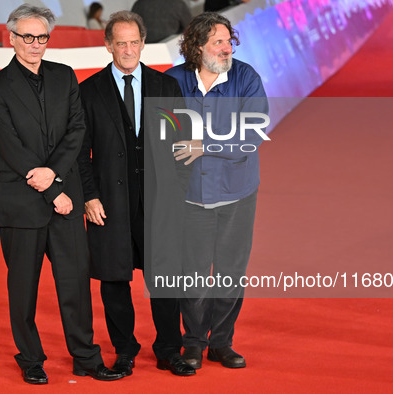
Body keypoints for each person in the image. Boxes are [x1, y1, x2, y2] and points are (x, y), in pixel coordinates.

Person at [0, 4, 123, 385]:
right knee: (22, 289)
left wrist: (56, 180)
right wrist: (52, 190)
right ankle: (30, 358)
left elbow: (76, 131)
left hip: (65, 200)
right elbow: (10, 148)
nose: (35, 44)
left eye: (41, 37)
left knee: (75, 285)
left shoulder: (64, 76)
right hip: (22, 204)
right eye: (27, 36)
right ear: (11, 38)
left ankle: (86, 358)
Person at [76, 10, 196, 377]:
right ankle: (124, 349)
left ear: (143, 43)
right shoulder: (88, 91)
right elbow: (79, 153)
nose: (128, 49)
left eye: (134, 42)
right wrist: (89, 196)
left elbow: (183, 145)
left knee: (164, 279)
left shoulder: (166, 87)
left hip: (160, 203)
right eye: (120, 42)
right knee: (114, 279)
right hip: (108, 203)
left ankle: (168, 349)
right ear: (107, 44)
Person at [165, 12, 268, 369]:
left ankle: (222, 342)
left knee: (230, 271)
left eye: (229, 41)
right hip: (190, 197)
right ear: (196, 48)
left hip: (237, 194)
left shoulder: (246, 78)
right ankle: (193, 342)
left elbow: (252, 133)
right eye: (218, 43)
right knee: (191, 272)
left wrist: (203, 143)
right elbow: (160, 134)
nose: (227, 49)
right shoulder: (172, 81)